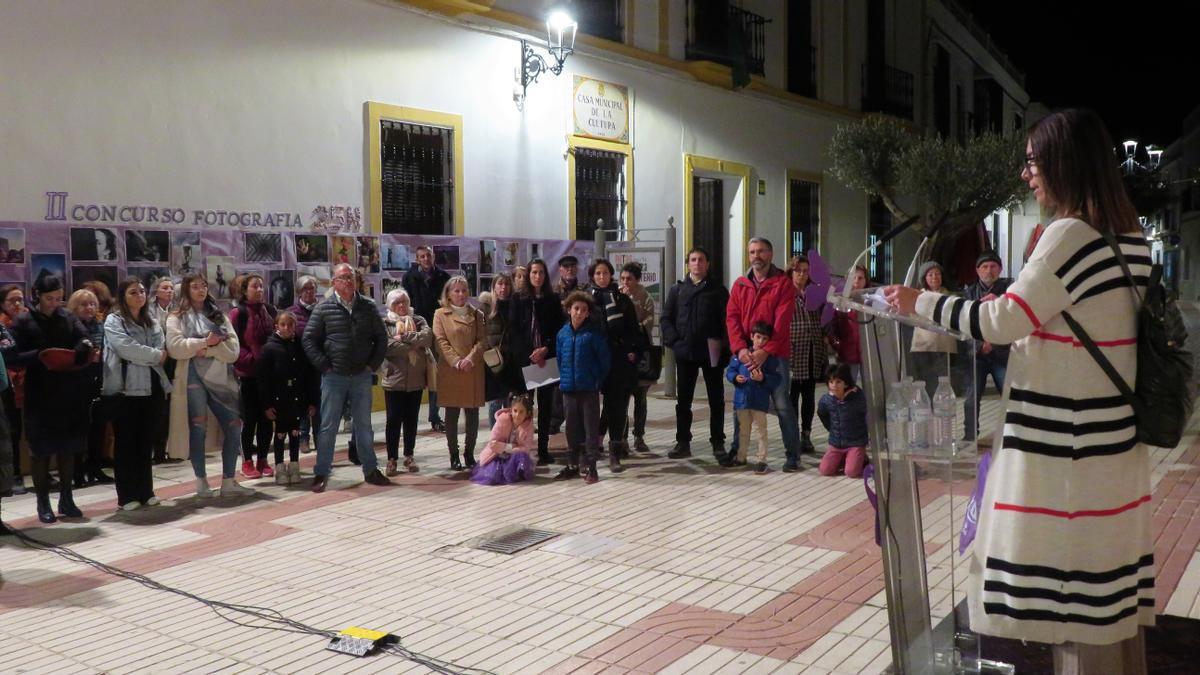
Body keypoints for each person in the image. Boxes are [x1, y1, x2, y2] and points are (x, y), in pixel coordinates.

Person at [884, 109, 1153, 672]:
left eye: (1032, 160)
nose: (1027, 173)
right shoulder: (1126, 238)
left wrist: (918, 303)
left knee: (1070, 605)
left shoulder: (1070, 235)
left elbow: (1004, 320)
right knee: (1102, 602)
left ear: (1063, 162)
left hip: (1065, 449)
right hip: (1108, 442)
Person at [10, 275, 93, 523]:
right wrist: (42, 355)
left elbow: (84, 337)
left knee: (68, 449)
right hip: (38, 393)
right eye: (49, 299)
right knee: (41, 451)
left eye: (58, 298)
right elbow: (13, 356)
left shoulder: (67, 316)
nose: (54, 303)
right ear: (36, 295)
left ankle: (67, 499)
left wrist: (83, 346)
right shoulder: (23, 321)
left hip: (68, 392)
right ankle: (42, 503)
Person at [302, 263, 390, 493]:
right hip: (334, 377)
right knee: (328, 426)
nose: (348, 281)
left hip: (361, 375)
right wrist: (324, 366)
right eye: (342, 278)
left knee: (363, 426)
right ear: (334, 283)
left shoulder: (368, 307)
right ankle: (322, 472)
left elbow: (382, 339)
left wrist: (372, 365)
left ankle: (370, 469)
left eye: (350, 277)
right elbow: (309, 340)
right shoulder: (323, 308)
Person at [165, 274, 253, 498]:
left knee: (234, 425)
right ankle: (201, 481)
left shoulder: (219, 315)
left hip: (221, 377)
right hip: (193, 377)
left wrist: (210, 350)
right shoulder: (176, 317)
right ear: (186, 290)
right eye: (194, 287)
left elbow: (233, 351)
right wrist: (204, 342)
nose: (200, 290)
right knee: (198, 427)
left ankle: (228, 480)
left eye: (203, 286)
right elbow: (176, 348)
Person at [725, 237, 801, 471]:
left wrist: (765, 351)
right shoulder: (740, 285)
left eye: (761, 251)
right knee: (743, 403)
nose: (756, 256)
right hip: (745, 355)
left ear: (771, 254)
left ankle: (793, 456)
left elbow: (782, 321)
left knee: (782, 405)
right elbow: (732, 318)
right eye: (752, 252)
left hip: (774, 356)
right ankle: (740, 452)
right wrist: (740, 349)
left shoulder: (783, 284)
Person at [103, 278, 171, 509]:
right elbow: (125, 348)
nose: (139, 295)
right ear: (122, 296)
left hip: (151, 387)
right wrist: (151, 356)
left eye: (142, 291)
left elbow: (161, 346)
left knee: (145, 441)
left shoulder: (150, 320)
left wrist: (149, 354)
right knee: (126, 443)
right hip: (125, 389)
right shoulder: (114, 320)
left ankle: (146, 491)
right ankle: (127, 496)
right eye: (133, 292)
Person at [661, 247, 730, 462]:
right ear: (688, 264)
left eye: (701, 259)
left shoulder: (718, 290)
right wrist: (675, 342)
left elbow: (728, 321)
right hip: (686, 352)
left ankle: (718, 443)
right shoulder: (677, 290)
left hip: (712, 352)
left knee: (716, 400)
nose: (697, 263)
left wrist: (727, 349)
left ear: (708, 264)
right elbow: (665, 318)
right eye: (693, 259)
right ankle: (683, 442)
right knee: (684, 401)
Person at [584, 258, 645, 473]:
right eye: (598, 273)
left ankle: (615, 454)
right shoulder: (585, 300)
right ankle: (588, 452)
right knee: (587, 408)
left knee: (616, 407)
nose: (602, 277)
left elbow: (633, 330)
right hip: (590, 361)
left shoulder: (621, 300)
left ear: (611, 275)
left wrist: (631, 351)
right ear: (592, 276)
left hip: (616, 360)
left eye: (605, 273)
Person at [507, 258, 565, 465]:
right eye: (533, 272)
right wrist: (531, 353)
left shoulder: (552, 299)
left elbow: (559, 329)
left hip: (546, 360)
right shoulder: (518, 298)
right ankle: (523, 449)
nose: (537, 276)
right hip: (526, 360)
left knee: (547, 406)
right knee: (523, 406)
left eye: (541, 272)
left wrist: (545, 349)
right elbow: (514, 331)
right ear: (528, 275)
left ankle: (543, 449)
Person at [432, 276, 486, 471]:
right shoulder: (440, 314)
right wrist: (456, 361)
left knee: (472, 414)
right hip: (451, 371)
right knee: (452, 414)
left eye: (464, 290)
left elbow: (482, 341)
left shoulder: (477, 314)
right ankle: (454, 455)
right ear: (448, 294)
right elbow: (440, 341)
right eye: (456, 291)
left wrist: (470, 359)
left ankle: (469, 454)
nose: (461, 294)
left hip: (472, 369)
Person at [555, 291, 610, 484]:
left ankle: (592, 466)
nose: (579, 313)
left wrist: (596, 380)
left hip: (588, 388)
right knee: (571, 427)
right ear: (569, 310)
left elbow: (604, 361)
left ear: (588, 313)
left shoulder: (593, 334)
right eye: (576, 309)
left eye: (583, 310)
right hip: (569, 388)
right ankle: (572, 463)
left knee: (590, 428)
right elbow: (560, 359)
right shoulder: (562, 334)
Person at [257, 311, 313, 485]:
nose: (287, 328)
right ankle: (280, 466)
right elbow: (263, 379)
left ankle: (294, 464)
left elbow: (308, 376)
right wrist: (266, 404)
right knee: (280, 433)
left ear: (295, 327)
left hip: (297, 398)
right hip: (278, 400)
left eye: (290, 325)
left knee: (295, 432)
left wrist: (311, 401)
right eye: (283, 325)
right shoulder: (269, 348)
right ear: (276, 326)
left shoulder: (300, 347)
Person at [229, 273, 277, 479]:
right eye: (254, 287)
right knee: (249, 420)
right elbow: (233, 345)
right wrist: (251, 361)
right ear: (244, 290)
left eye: (261, 286)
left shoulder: (271, 311)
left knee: (267, 418)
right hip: (247, 375)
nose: (259, 290)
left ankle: (263, 460)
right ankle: (247, 460)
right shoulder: (237, 313)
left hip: (268, 376)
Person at [380, 288, 431, 475]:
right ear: (390, 305)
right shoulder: (385, 322)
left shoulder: (418, 320)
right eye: (396, 303)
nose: (401, 306)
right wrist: (412, 344)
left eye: (404, 302)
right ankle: (391, 459)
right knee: (393, 421)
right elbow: (387, 347)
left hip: (416, 379)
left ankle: (409, 455)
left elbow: (427, 338)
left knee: (411, 420)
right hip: (394, 379)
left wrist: (405, 337)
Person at [962, 251, 1012, 440]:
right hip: (978, 356)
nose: (988, 271)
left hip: (1002, 354)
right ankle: (969, 437)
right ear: (977, 270)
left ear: (1000, 269)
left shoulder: (1010, 289)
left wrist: (994, 342)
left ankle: (1012, 434)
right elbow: (963, 324)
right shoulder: (968, 293)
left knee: (1010, 396)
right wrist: (979, 346)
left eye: (993, 266)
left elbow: (1013, 320)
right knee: (971, 398)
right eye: (984, 267)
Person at [402, 245, 450, 433]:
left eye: (429, 255)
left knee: (435, 375)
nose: (426, 259)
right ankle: (410, 418)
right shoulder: (409, 277)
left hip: (438, 331)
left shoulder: (443, 277)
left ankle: (434, 416)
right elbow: (405, 304)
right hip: (417, 331)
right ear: (417, 258)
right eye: (422, 256)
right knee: (415, 375)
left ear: (433, 256)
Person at [67, 288, 113, 487]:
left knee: (98, 426)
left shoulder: (100, 326)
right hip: (76, 382)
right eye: (84, 304)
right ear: (74, 307)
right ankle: (76, 470)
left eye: (92, 304)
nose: (89, 308)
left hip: (98, 379)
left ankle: (94, 466)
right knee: (79, 428)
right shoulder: (70, 327)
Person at [725, 321, 783, 474]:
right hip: (742, 401)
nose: (761, 342)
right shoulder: (742, 356)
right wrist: (735, 377)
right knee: (743, 430)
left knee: (761, 431)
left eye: (765, 339)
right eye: (758, 337)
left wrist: (763, 378)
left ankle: (761, 460)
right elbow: (730, 371)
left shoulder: (769, 359)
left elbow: (776, 379)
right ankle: (741, 457)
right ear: (751, 337)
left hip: (759, 402)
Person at [788, 255, 831, 457]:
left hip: (813, 347)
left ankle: (806, 434)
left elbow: (824, 318)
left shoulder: (814, 292)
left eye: (805, 271)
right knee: (791, 395)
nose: (802, 275)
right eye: (798, 271)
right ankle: (792, 435)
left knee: (808, 394)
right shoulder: (785, 292)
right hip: (793, 348)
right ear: (791, 271)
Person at [619, 262, 655, 455]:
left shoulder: (645, 297)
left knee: (640, 397)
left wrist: (637, 326)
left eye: (629, 279)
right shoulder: (617, 294)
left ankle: (639, 436)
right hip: (623, 352)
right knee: (622, 398)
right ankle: (621, 438)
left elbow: (650, 320)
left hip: (641, 352)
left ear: (637, 280)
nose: (625, 282)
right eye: (623, 278)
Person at [909, 261, 958, 400]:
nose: (934, 277)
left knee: (942, 384)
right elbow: (912, 317)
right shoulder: (917, 296)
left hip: (944, 346)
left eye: (937, 274)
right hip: (922, 346)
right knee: (924, 383)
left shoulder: (950, 297)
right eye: (930, 274)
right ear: (924, 278)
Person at [816, 363, 868, 478]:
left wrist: (864, 437)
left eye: (838, 382)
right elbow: (822, 413)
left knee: (852, 472)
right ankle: (844, 458)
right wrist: (832, 428)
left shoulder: (858, 398)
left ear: (846, 383)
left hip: (856, 442)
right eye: (831, 382)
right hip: (836, 443)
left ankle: (861, 457)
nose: (834, 385)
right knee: (825, 470)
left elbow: (867, 416)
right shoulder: (826, 400)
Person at [480, 273, 518, 428]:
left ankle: (509, 437)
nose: (503, 288)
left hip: (512, 359)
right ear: (494, 286)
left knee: (511, 400)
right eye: (500, 284)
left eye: (507, 284)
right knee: (496, 401)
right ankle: (495, 438)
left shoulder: (516, 305)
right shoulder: (486, 307)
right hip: (494, 360)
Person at [471, 394, 536, 486]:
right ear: (510, 410)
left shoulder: (528, 427)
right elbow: (492, 443)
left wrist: (510, 449)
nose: (517, 415)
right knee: (493, 476)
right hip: (497, 455)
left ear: (527, 413)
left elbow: (526, 448)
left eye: (521, 412)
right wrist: (507, 447)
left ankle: (515, 474)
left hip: (513, 455)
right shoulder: (503, 420)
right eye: (515, 411)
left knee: (523, 458)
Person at [0, 285, 28, 495]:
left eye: (20, 299)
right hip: (9, 384)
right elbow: (10, 353)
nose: (17, 304)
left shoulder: (28, 322)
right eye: (12, 300)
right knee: (12, 429)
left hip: (27, 382)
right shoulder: (3, 325)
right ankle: (16, 474)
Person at [288, 275, 321, 452]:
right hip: (300, 364)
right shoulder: (292, 312)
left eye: (312, 288)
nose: (309, 292)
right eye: (305, 289)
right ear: (299, 292)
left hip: (320, 364)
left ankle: (320, 437)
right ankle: (303, 438)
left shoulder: (323, 309)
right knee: (301, 403)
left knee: (319, 403)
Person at [147, 277, 177, 464]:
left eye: (171, 288)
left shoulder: (176, 309)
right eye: (165, 288)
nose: (169, 291)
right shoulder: (149, 310)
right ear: (156, 291)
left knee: (169, 409)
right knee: (155, 407)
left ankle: (162, 449)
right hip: (155, 361)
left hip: (173, 361)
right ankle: (151, 449)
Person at [831, 265, 867, 386]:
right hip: (848, 355)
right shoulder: (841, 302)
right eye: (853, 278)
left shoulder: (872, 301)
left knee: (872, 389)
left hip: (868, 355)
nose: (857, 281)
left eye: (860, 278)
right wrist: (838, 346)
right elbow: (834, 327)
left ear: (866, 280)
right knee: (848, 387)